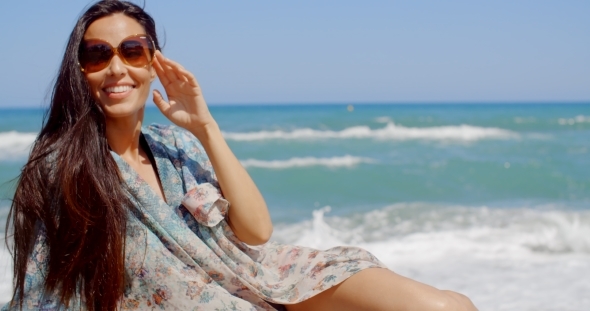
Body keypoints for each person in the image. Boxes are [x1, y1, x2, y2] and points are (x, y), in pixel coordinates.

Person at [4, 1, 478, 310]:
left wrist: (205, 126)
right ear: (80, 69)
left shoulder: (178, 147)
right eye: (96, 54)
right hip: (205, 303)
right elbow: (50, 290)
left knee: (449, 306)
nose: (115, 68)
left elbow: (256, 232)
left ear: (154, 63)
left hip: (260, 276)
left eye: (132, 51)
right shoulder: (59, 170)